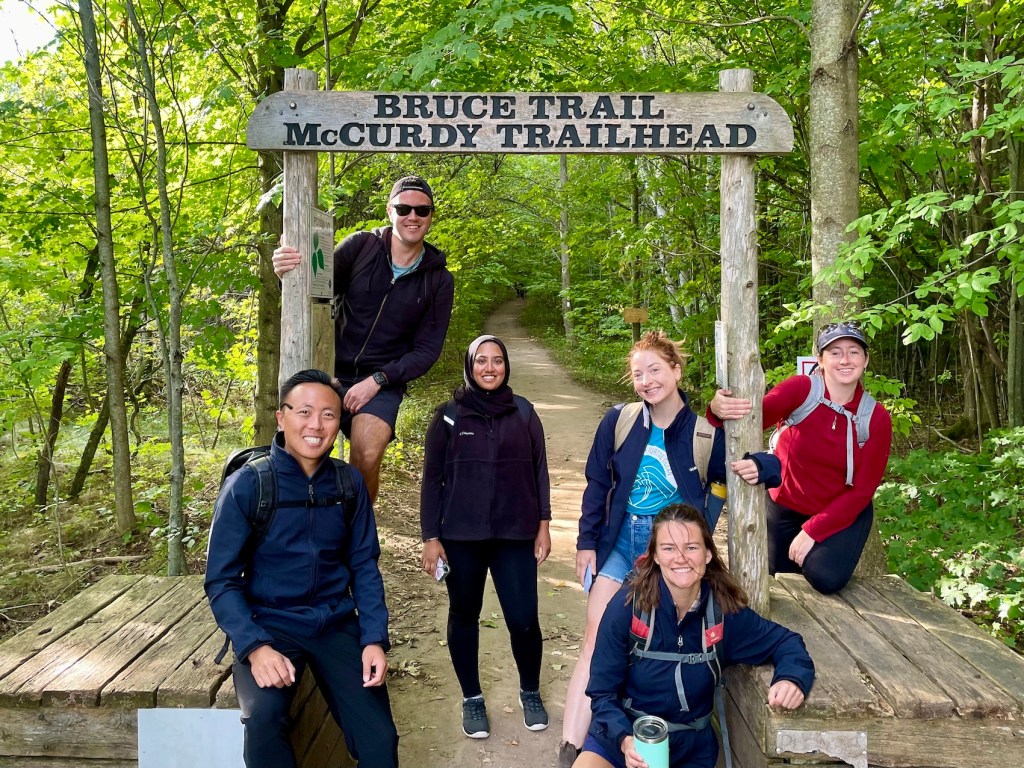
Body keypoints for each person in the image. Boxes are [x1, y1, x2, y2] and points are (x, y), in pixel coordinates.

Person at [558, 331, 780, 767]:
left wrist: (766, 465)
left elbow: (749, 463)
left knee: (662, 632)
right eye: (638, 374)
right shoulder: (618, 421)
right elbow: (598, 484)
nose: (646, 381)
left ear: (676, 371)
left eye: (655, 370)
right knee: (595, 636)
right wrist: (587, 543)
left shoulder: (700, 433)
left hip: (671, 551)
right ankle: (573, 746)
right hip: (622, 541)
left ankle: (659, 722)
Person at [205, 369, 398, 768]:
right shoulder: (248, 485)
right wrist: (255, 648)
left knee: (380, 741)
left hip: (335, 623)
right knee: (263, 719)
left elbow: (364, 565)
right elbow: (221, 581)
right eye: (304, 412)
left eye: (329, 415)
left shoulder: (349, 484)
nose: (316, 425)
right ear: (281, 417)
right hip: (269, 625)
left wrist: (374, 638)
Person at [576, 503, 814, 768]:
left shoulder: (723, 614)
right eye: (668, 548)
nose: (681, 558)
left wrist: (792, 679)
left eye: (691, 547)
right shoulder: (627, 608)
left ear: (708, 554)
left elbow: (785, 641)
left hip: (689, 749)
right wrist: (624, 740)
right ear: (654, 556)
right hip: (624, 739)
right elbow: (601, 692)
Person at [273, 175, 455, 503]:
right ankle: (302, 529)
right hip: (329, 371)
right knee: (300, 452)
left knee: (367, 454)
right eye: (404, 208)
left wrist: (378, 380)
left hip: (382, 382)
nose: (412, 216)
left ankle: (358, 534)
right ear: (390, 211)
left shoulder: (439, 280)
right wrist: (287, 270)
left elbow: (427, 350)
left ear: (431, 215)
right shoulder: (361, 246)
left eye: (422, 210)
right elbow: (316, 291)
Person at [420, 335, 552, 739]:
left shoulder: (525, 412)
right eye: (482, 361)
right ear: (470, 366)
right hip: (461, 536)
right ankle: (471, 698)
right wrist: (430, 537)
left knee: (524, 620)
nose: (490, 368)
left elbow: (540, 471)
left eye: (497, 361)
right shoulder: (448, 415)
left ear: (506, 366)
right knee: (463, 615)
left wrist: (544, 525)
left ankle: (530, 691)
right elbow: (432, 480)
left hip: (515, 533)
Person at [709, 320, 893, 594]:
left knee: (824, 578)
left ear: (865, 360)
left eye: (854, 352)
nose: (845, 360)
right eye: (835, 352)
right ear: (820, 359)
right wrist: (717, 408)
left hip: (839, 510)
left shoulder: (875, 418)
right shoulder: (801, 390)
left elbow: (863, 490)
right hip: (783, 504)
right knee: (776, 580)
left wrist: (812, 531)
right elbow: (750, 419)